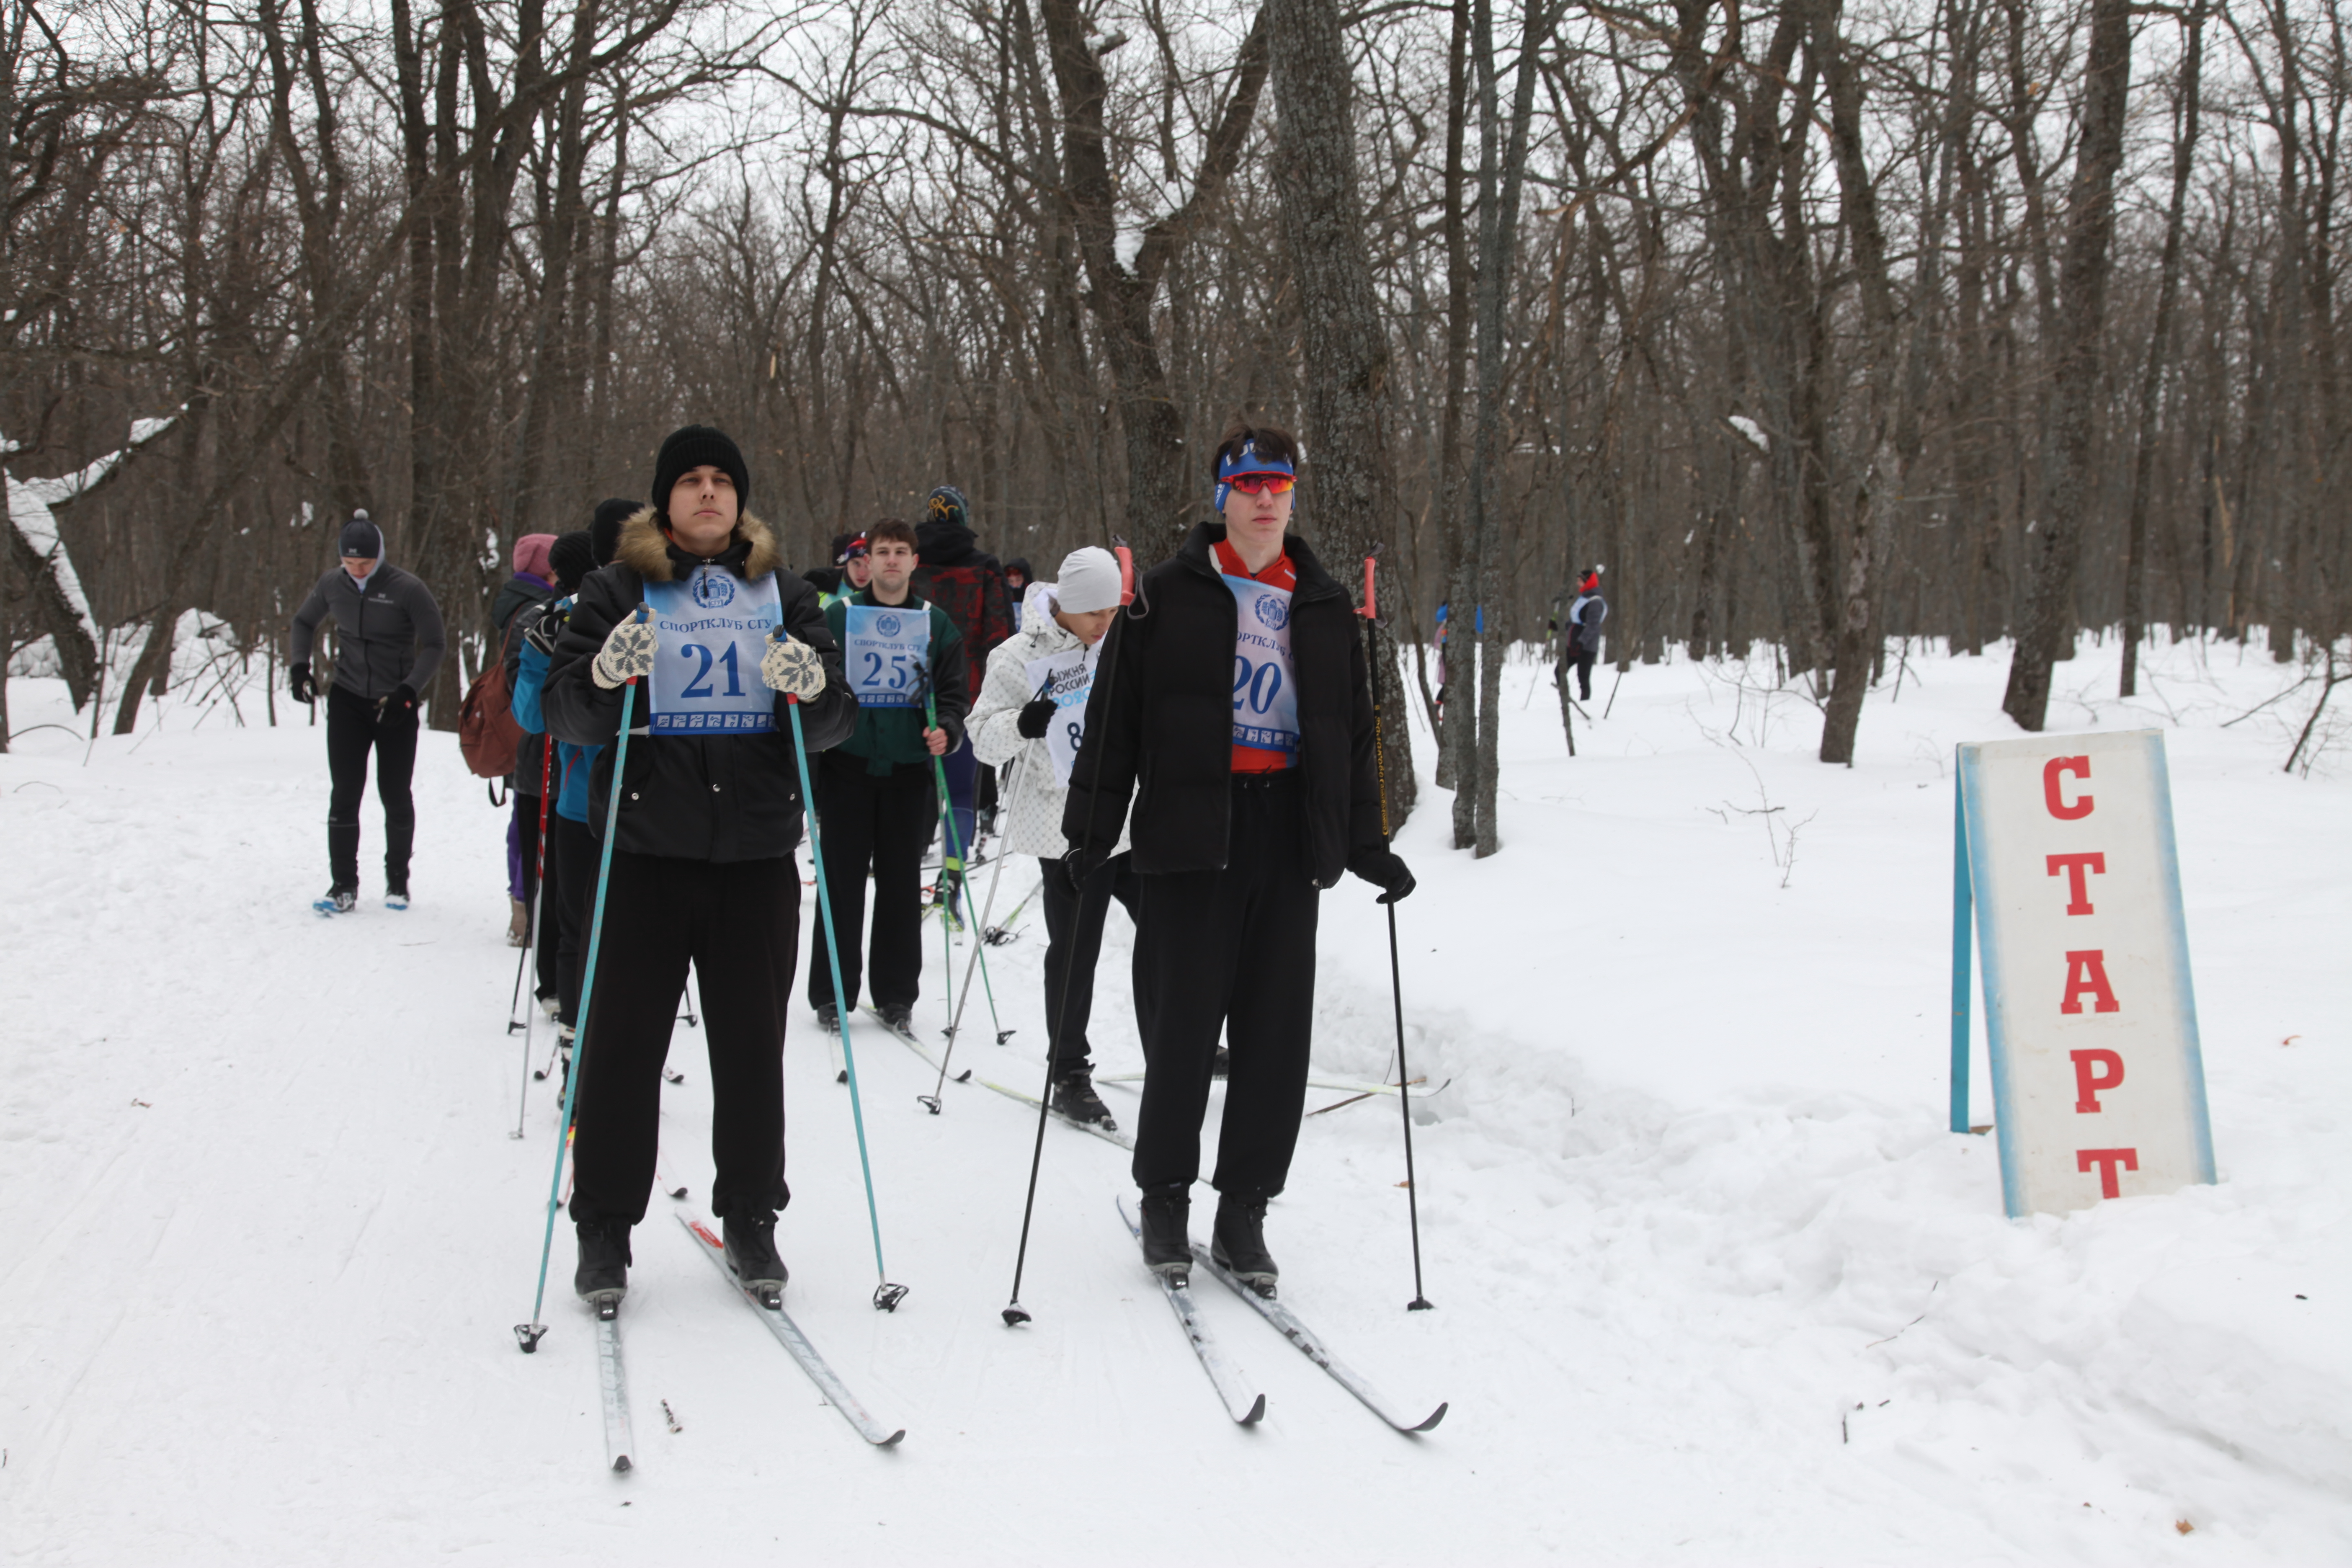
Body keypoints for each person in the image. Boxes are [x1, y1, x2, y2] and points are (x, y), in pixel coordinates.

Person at [1062, 419, 1414, 1297]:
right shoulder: (1168, 596)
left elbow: (1351, 734)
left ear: (1293, 496)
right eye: (1249, 484)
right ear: (1222, 496)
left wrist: (1367, 846)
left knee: (1274, 1039)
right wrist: (1090, 831)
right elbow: (1115, 726)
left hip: (1287, 835)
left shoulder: (1326, 602)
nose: (1265, 498)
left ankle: (1245, 1206)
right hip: (1188, 834)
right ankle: (1166, 1198)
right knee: (1182, 1028)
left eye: (1279, 485)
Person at [541, 425, 854, 1307]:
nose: (709, 493)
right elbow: (567, 718)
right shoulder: (616, 589)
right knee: (621, 1050)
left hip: (753, 854)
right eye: (691, 481)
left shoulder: (783, 593)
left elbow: (837, 720)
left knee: (753, 1049)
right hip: (643, 855)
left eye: (723, 480)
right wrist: (604, 675)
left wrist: (814, 687)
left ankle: (752, 1218)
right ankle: (603, 1230)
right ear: (665, 500)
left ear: (740, 500)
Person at [968, 547, 1132, 1130]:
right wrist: (1023, 723)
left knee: (1172, 933)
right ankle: (1069, 1070)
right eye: (1094, 613)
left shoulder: (1122, 643)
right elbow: (983, 740)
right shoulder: (1018, 656)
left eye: (1113, 611)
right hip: (1064, 828)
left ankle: (1181, 1042)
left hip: (1130, 821)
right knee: (1076, 950)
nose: (1103, 624)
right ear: (1065, 605)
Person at [807, 516, 969, 1034]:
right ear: (867, 561)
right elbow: (816, 686)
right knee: (841, 884)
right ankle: (832, 993)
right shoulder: (837, 617)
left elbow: (953, 696)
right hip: (848, 768)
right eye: (883, 552)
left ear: (915, 562)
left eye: (902, 551)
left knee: (901, 886)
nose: (892, 560)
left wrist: (947, 728)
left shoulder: (935, 623)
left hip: (906, 771)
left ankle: (897, 995)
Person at [288, 511, 447, 913]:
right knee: (344, 794)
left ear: (379, 557)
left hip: (395, 703)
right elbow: (304, 622)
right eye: (350, 564)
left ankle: (398, 882)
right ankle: (343, 885)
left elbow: (435, 644)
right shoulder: (332, 584)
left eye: (365, 564)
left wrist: (409, 689)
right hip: (347, 699)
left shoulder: (407, 589)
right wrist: (299, 667)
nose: (357, 571)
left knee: (394, 794)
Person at [510, 529, 599, 1078]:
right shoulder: (554, 619)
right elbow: (533, 716)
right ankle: (574, 1044)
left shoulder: (649, 608)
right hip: (576, 797)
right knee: (575, 927)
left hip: (645, 803)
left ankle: (616, 1044)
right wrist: (540, 657)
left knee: (622, 933)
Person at [914, 486, 1010, 910]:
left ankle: (906, 861)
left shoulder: (911, 563)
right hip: (966, 695)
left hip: (910, 693)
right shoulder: (985, 568)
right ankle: (951, 874)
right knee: (960, 793)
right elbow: (1000, 637)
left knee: (912, 787)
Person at [494, 533, 557, 949]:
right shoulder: (537, 609)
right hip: (534, 732)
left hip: (520, 730)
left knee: (523, 821)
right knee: (534, 822)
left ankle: (522, 906)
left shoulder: (510, 600)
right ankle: (527, 910)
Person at [1564, 566, 1607, 701]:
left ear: (1587, 582)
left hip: (1586, 647)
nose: (1578, 583)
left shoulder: (1595, 602)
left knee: (1583, 678)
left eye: (1580, 581)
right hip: (1573, 644)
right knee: (1559, 672)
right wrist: (1559, 627)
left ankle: (1585, 704)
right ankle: (1565, 699)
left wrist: (1582, 641)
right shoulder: (1583, 598)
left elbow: (1593, 626)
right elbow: (1575, 620)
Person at [1001, 557, 1033, 631]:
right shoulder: (1003, 594)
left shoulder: (1034, 594)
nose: (1015, 585)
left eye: (1018, 580)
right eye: (1011, 581)